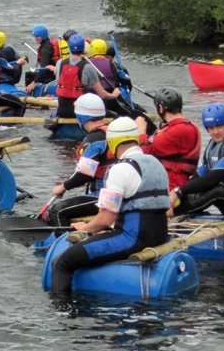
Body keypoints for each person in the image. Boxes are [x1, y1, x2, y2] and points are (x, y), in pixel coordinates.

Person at [49, 117, 170, 295]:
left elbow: (106, 218)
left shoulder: (119, 169)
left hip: (132, 239)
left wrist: (85, 228)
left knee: (62, 262)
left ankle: (62, 311)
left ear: (112, 143)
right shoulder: (155, 163)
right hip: (159, 235)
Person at [47, 94, 113, 227]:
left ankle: (65, 239)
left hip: (102, 196)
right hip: (117, 193)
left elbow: (84, 174)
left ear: (81, 117)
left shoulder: (93, 140)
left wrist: (63, 187)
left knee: (56, 211)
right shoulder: (113, 132)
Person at [135, 87, 201, 191]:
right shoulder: (173, 127)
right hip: (166, 181)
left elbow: (143, 152)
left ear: (161, 108)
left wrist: (141, 130)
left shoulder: (181, 129)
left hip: (173, 185)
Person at [54, 33, 120, 119]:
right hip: (80, 110)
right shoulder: (88, 67)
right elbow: (103, 94)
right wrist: (114, 95)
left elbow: (59, 81)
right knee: (115, 115)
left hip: (62, 110)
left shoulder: (60, 63)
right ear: (83, 48)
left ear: (70, 47)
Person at [24, 24, 60, 92]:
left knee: (28, 74)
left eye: (37, 36)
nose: (35, 38)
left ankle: (28, 92)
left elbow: (43, 68)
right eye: (35, 36)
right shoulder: (49, 43)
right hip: (56, 72)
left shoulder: (45, 49)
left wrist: (33, 83)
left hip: (51, 75)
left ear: (43, 36)